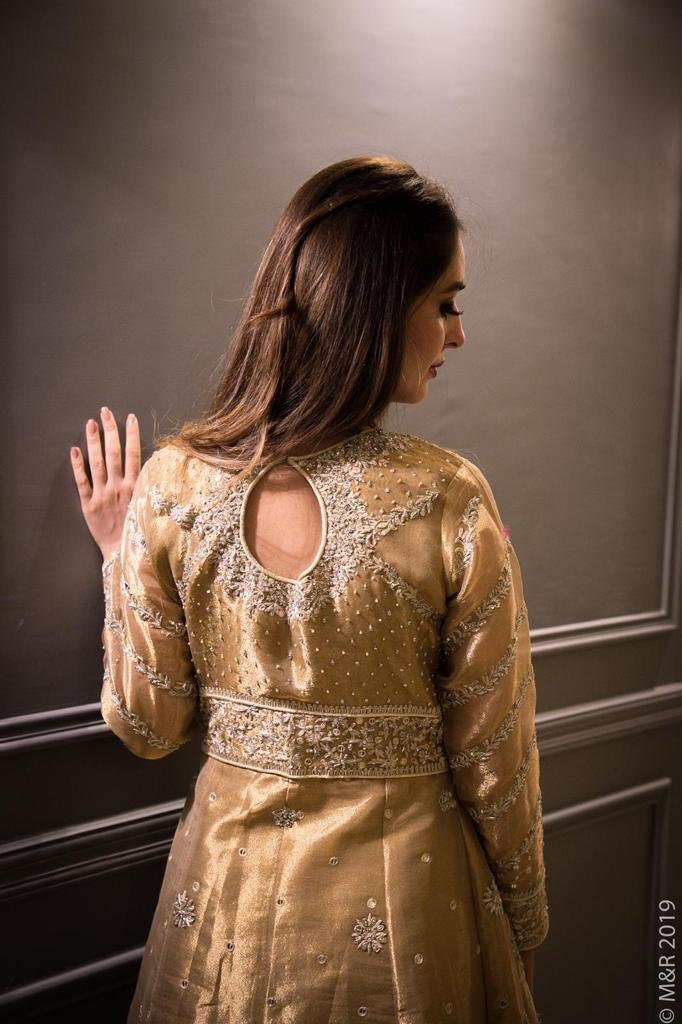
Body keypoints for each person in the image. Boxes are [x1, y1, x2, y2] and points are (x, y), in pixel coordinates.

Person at [70, 155, 549, 1023]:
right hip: (410, 909)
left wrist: (121, 552)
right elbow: (498, 757)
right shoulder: (446, 496)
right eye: (445, 304)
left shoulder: (172, 485)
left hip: (226, 903)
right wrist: (522, 917)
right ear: (377, 306)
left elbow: (148, 727)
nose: (458, 335)